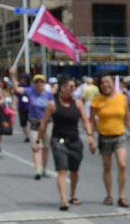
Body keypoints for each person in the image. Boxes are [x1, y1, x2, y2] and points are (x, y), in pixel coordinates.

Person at [35, 77, 94, 210]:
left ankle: (72, 195)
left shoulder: (78, 104)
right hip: (59, 141)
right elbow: (44, 123)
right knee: (62, 170)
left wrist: (90, 136)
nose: (73, 90)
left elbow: (85, 120)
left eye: (74, 87)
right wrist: (37, 141)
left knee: (74, 171)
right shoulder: (52, 105)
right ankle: (63, 199)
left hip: (75, 141)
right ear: (63, 88)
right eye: (71, 87)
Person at [88, 73, 130, 207]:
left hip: (119, 136)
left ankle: (121, 196)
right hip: (104, 137)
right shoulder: (97, 100)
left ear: (113, 83)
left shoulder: (122, 99)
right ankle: (109, 194)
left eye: (107, 82)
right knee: (107, 167)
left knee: (122, 165)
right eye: (102, 82)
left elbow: (128, 119)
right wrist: (90, 137)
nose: (105, 84)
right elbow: (91, 121)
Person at [16, 74, 54, 179]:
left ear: (44, 83)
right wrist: (13, 75)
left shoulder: (48, 95)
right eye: (36, 82)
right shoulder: (30, 92)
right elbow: (16, 89)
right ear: (33, 84)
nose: (39, 84)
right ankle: (37, 169)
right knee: (36, 146)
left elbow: (54, 108)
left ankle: (45, 169)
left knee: (46, 146)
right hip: (34, 122)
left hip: (46, 123)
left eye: (41, 82)